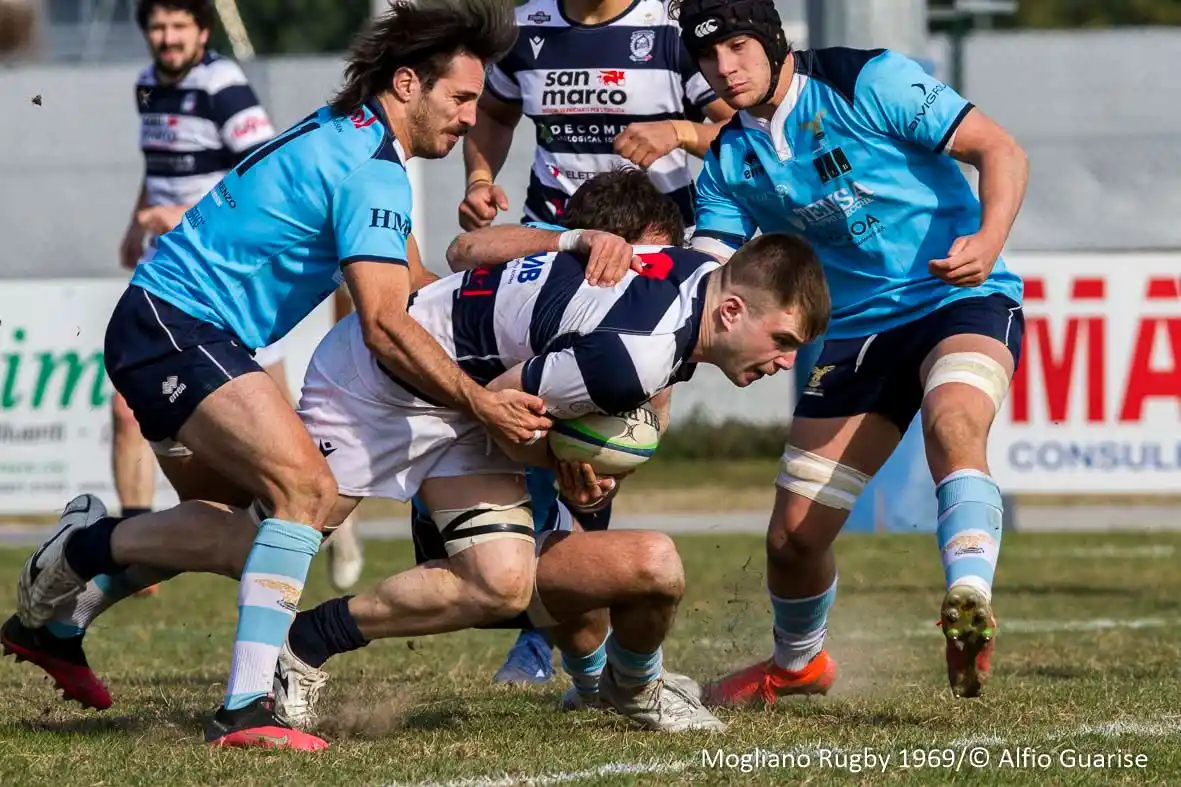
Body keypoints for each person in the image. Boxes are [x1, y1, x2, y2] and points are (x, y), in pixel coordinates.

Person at [5, 0, 550, 752]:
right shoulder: (371, 168)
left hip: (178, 329)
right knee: (306, 493)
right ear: (406, 84)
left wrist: (527, 273)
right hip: (174, 327)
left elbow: (414, 288)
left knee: (249, 535)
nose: (469, 118)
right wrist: (480, 402)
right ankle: (245, 709)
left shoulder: (355, 138)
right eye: (459, 98)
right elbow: (386, 324)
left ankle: (74, 575)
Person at [267, 169, 829, 734]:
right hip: (381, 383)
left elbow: (499, 395)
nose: (785, 362)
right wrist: (562, 461)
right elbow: (501, 405)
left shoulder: (704, 272)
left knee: (501, 580)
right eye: (782, 342)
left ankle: (307, 640)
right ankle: (242, 670)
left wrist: (580, 465)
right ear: (731, 312)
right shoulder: (637, 356)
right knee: (255, 540)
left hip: (456, 399)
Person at [669, 0, 1029, 704]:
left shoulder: (867, 80)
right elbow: (707, 281)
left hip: (957, 297)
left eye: (738, 47)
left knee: (953, 423)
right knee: (793, 540)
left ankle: (968, 598)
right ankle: (797, 665)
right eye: (708, 56)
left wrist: (987, 242)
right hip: (858, 333)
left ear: (773, 40)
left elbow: (1000, 150)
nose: (724, 68)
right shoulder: (728, 162)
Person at [457, 0, 737, 685]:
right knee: (532, 424)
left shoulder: (670, 30)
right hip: (559, 249)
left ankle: (565, 618)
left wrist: (679, 131)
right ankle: (542, 625)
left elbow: (740, 135)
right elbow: (494, 112)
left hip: (649, 261)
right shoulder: (527, 26)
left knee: (612, 438)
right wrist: (479, 179)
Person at [113, 0, 286, 598]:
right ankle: (136, 557)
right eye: (157, 26)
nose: (166, 37)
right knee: (125, 411)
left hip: (224, 275)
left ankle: (320, 523)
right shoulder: (146, 85)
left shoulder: (223, 85)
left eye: (178, 26)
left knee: (281, 424)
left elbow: (264, 174)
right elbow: (156, 167)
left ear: (203, 31)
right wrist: (136, 222)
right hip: (165, 271)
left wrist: (181, 214)